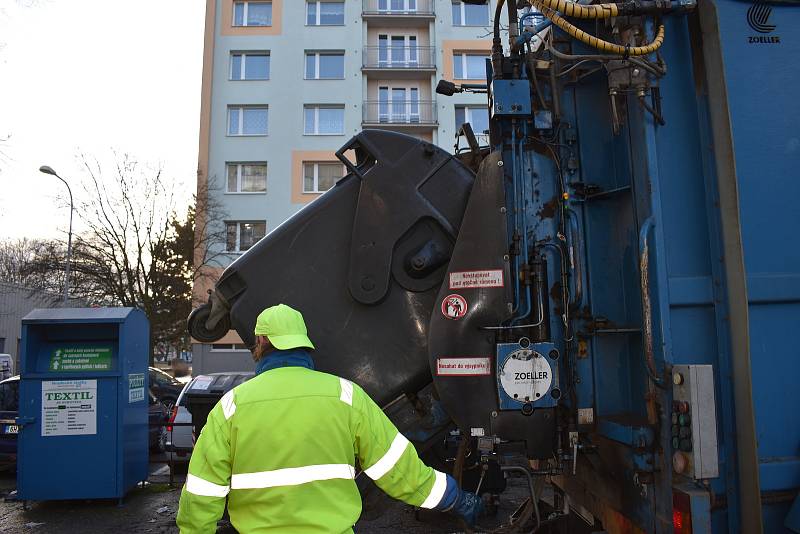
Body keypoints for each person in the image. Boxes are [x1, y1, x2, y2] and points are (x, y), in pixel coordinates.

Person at [176, 303, 482, 533]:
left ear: (261, 344)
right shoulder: (345, 396)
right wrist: (455, 498)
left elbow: (202, 494)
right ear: (303, 344)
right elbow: (399, 470)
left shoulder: (232, 406)